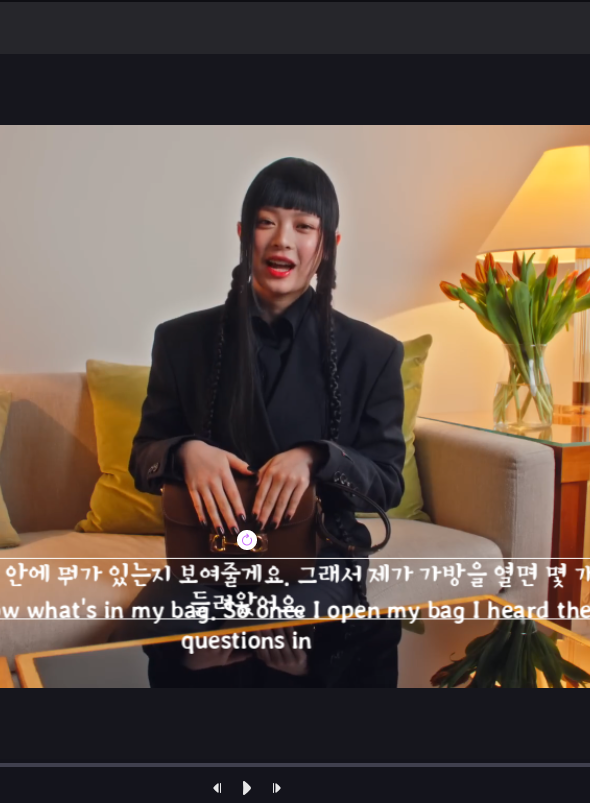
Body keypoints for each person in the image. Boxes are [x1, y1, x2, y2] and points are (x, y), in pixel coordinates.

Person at [113, 157, 405, 686]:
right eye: (267, 222)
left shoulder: (373, 353)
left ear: (328, 244)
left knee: (297, 638)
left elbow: (387, 483)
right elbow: (143, 457)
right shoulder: (181, 340)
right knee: (154, 631)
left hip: (319, 556)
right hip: (210, 556)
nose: (282, 241)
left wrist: (317, 457)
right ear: (244, 233)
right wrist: (184, 451)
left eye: (304, 226)